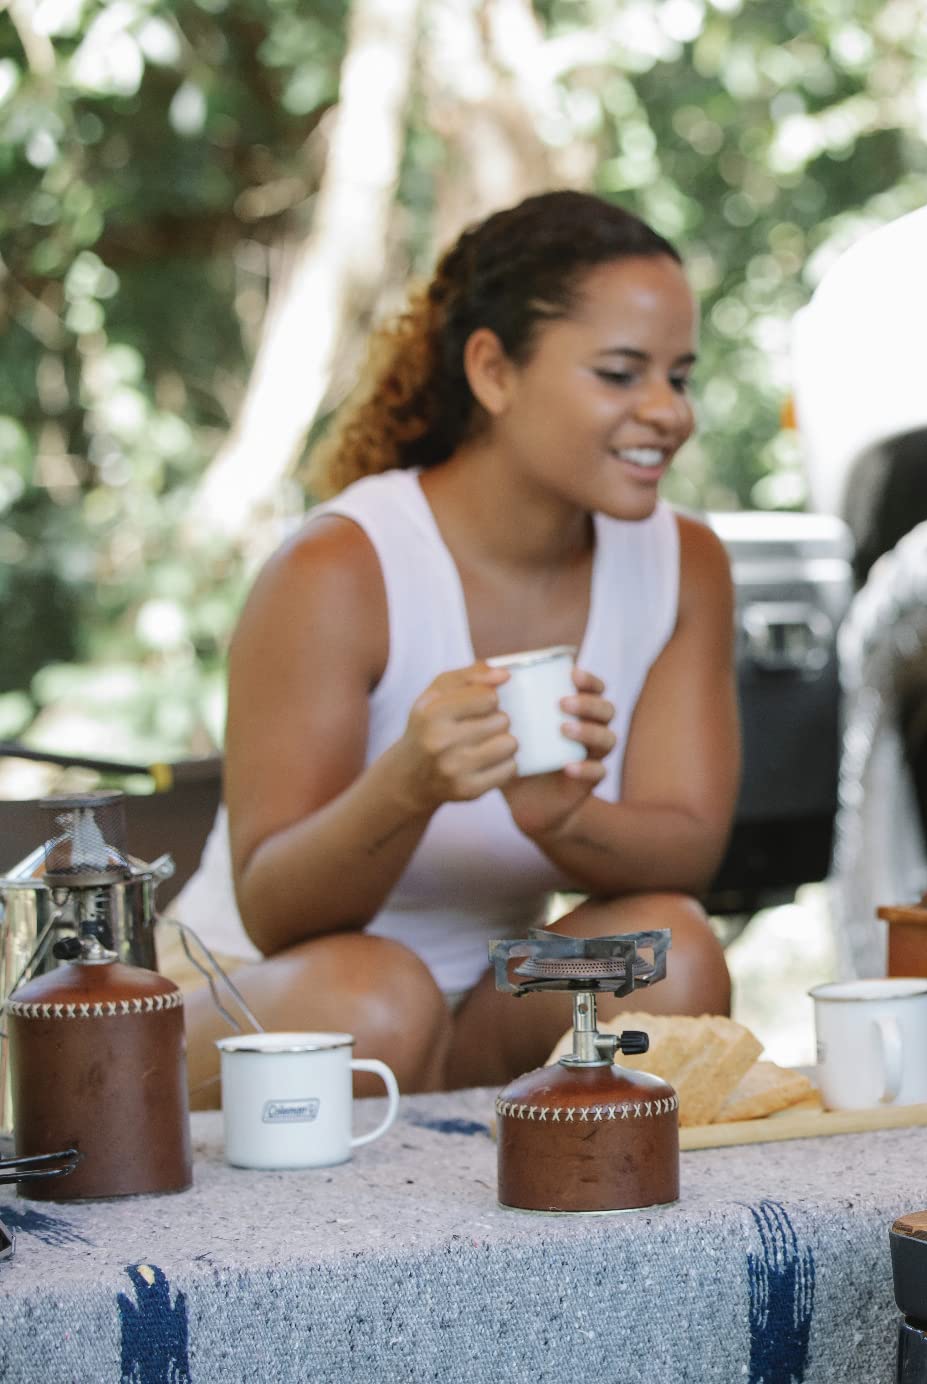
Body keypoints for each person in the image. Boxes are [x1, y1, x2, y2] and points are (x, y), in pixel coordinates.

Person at [177, 190, 738, 1096]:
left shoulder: (687, 564)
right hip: (260, 998)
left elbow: (686, 855)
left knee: (669, 957)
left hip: (483, 1005)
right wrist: (409, 784)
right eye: (621, 373)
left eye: (679, 376)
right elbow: (275, 910)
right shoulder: (339, 567)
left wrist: (565, 819)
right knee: (380, 1003)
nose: (668, 412)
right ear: (494, 371)